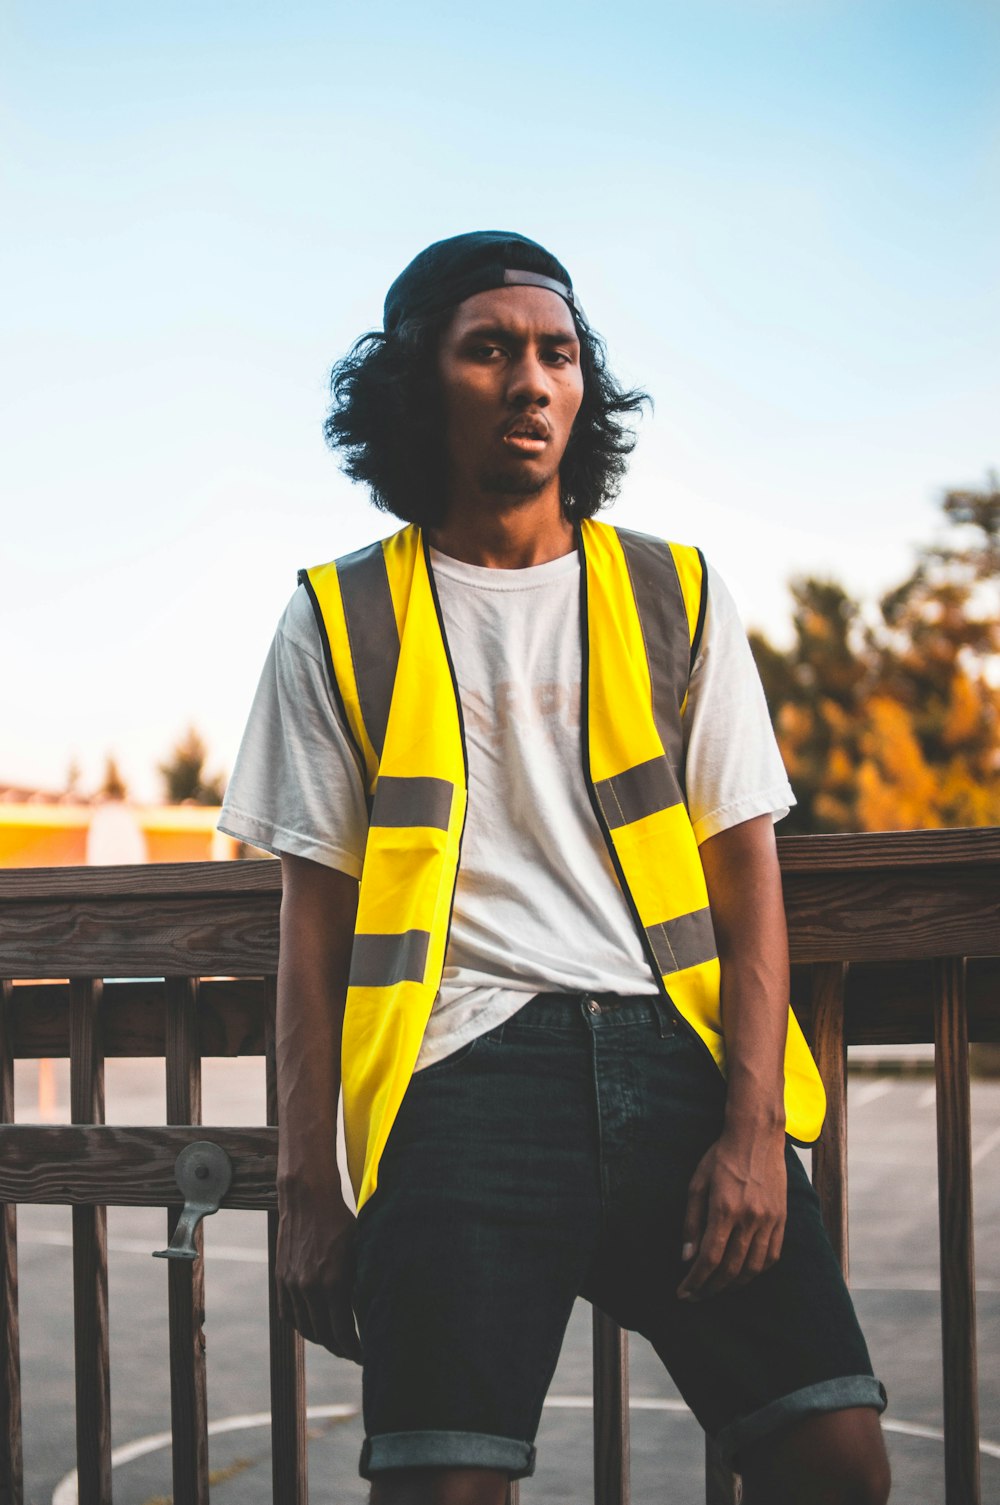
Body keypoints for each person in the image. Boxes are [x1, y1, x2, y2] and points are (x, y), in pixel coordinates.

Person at [220, 231, 891, 1505]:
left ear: (583, 391)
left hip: (678, 1071)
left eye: (558, 352)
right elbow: (308, 932)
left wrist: (752, 1128)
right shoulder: (338, 614)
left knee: (835, 1458)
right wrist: (307, 1186)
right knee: (442, 1490)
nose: (531, 377)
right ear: (421, 383)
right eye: (491, 349)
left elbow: (751, 885)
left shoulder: (676, 593)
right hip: (461, 1083)